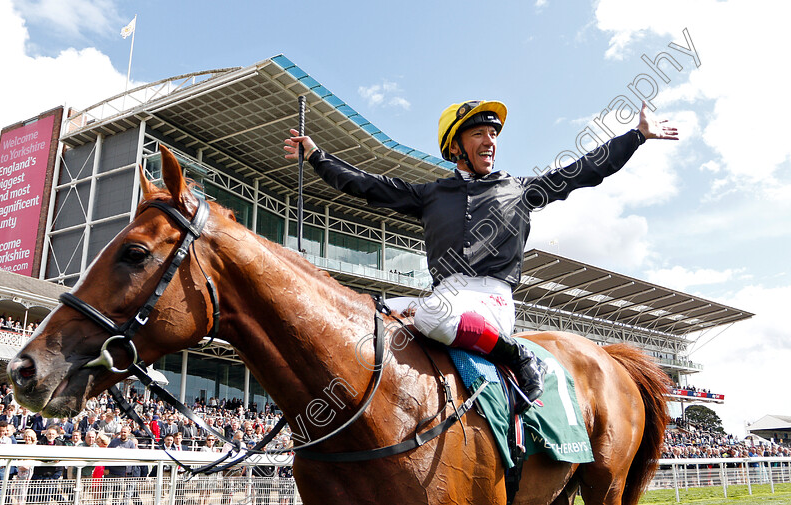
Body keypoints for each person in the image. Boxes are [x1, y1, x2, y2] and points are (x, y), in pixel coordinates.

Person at [284, 100, 678, 411]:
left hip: (490, 299)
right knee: (366, 313)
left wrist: (636, 137)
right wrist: (316, 155)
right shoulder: (431, 193)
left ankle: (519, 354)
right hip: (442, 297)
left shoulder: (522, 189)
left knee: (432, 313)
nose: (490, 140)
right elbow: (370, 186)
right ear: (456, 146)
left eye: (494, 133)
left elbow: (584, 170)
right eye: (479, 132)